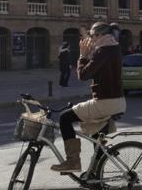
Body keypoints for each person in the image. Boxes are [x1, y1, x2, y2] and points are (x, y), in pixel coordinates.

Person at [51, 22, 126, 173]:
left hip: (105, 102)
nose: (90, 39)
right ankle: (96, 173)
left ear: (100, 35)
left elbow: (83, 75)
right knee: (96, 136)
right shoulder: (113, 47)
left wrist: (82, 56)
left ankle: (73, 161)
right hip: (117, 101)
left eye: (92, 36)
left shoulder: (103, 51)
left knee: (65, 118)